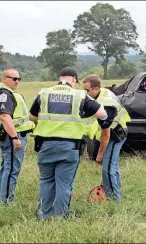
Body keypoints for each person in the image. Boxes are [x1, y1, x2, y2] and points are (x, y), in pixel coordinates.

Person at [29, 67, 108, 220]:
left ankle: (43, 215)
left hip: (45, 145)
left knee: (46, 181)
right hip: (69, 147)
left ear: (60, 77)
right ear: (73, 79)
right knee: (64, 184)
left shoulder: (44, 93)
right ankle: (61, 218)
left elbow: (32, 117)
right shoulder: (79, 95)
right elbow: (102, 113)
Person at [0, 68, 36, 204]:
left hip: (9, 134)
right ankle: (7, 202)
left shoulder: (7, 92)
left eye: (18, 79)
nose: (17, 81)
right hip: (11, 135)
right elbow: (4, 116)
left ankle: (2, 198)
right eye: (13, 78)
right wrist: (15, 137)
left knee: (7, 167)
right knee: (11, 169)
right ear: (4, 79)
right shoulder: (4, 93)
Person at [82, 74, 131, 203]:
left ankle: (113, 201)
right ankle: (116, 196)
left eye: (86, 90)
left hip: (116, 135)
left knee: (107, 168)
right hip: (115, 131)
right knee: (112, 167)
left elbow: (106, 134)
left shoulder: (105, 103)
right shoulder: (102, 94)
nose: (84, 93)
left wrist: (100, 154)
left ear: (96, 88)